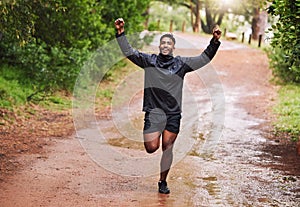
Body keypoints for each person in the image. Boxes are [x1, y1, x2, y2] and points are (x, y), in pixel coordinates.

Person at [114, 18, 221, 194]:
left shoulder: (181, 64)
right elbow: (129, 51)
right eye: (162, 42)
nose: (165, 45)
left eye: (168, 43)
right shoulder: (149, 61)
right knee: (151, 148)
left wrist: (214, 42)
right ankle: (159, 162)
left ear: (173, 47)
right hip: (153, 112)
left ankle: (162, 181)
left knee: (167, 148)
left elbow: (203, 58)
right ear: (159, 46)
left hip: (172, 114)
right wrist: (120, 33)